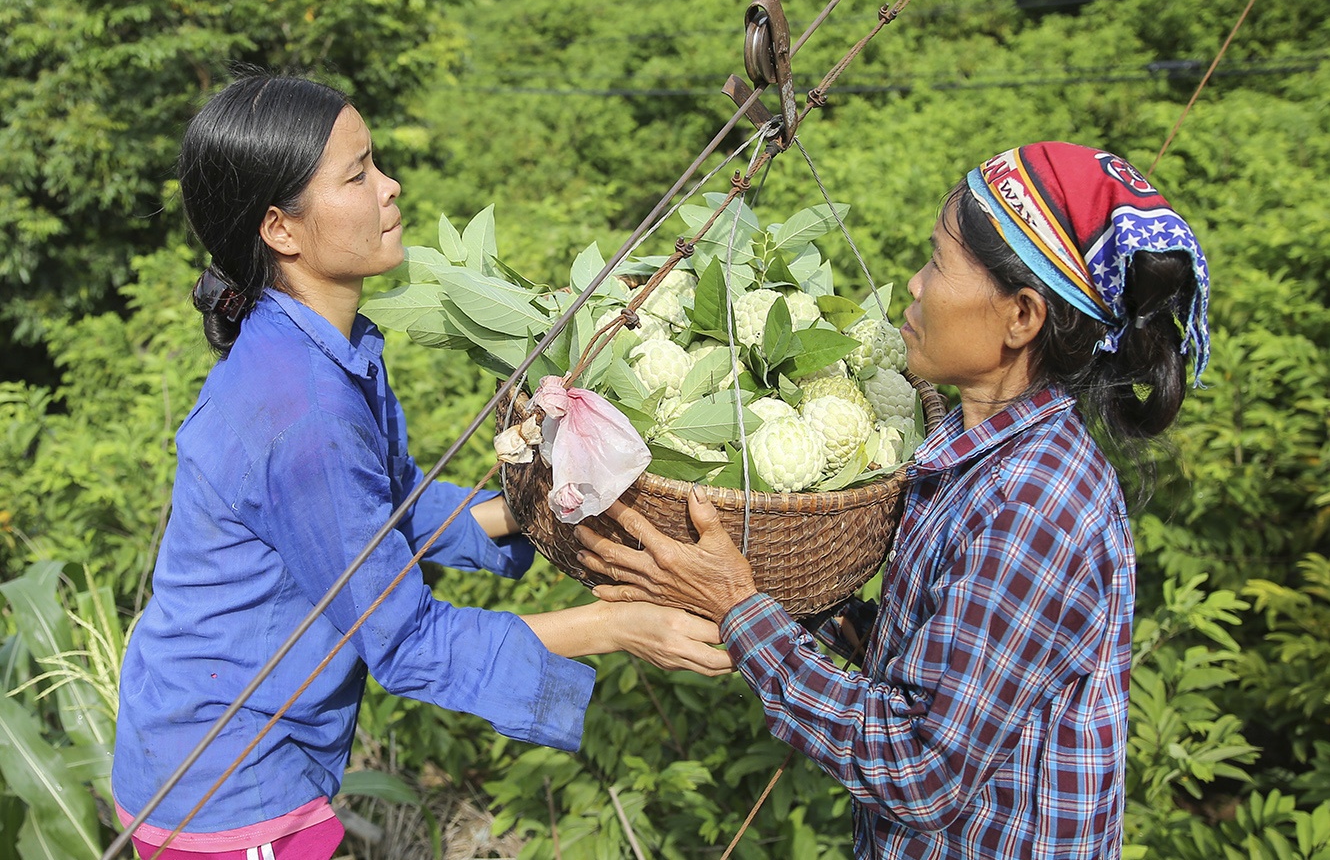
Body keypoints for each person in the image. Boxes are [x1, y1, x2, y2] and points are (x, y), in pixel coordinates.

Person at [112, 72, 731, 860]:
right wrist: (620, 624)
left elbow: (390, 508)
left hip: (213, 741)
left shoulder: (316, 351)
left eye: (378, 162)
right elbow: (408, 643)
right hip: (225, 788)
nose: (390, 186)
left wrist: (537, 499)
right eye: (358, 173)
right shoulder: (303, 413)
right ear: (281, 228)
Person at [575, 141, 1210, 859]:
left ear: (1022, 316)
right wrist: (789, 591)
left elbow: (921, 767)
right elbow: (930, 656)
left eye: (938, 263)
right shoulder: (978, 458)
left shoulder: (1034, 503)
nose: (912, 284)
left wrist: (740, 610)